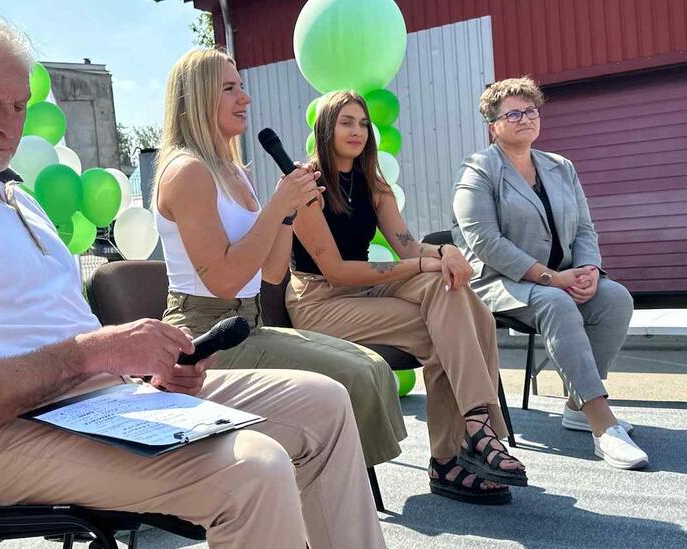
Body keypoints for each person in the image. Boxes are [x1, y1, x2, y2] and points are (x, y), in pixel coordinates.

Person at [0, 14, 389, 549]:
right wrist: (93, 353)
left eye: (19, 106)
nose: (9, 125)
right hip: (0, 438)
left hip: (103, 403)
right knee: (254, 469)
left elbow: (61, 336)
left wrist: (144, 367)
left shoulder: (12, 197)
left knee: (325, 402)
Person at [154, 48, 406, 471]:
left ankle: (337, 484)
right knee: (354, 378)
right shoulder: (187, 172)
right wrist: (277, 205)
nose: (245, 98)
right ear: (198, 98)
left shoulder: (237, 172)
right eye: (229, 89)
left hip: (248, 324)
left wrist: (289, 210)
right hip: (204, 335)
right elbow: (223, 281)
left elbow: (271, 272)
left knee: (373, 365)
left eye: (241, 86)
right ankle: (337, 486)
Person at [288, 91, 527, 505]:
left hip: (363, 290)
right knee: (447, 327)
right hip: (320, 300)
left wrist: (446, 252)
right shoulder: (307, 186)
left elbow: (407, 246)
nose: (358, 131)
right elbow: (337, 271)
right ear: (325, 128)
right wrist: (421, 264)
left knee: (450, 293)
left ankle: (470, 431)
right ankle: (457, 450)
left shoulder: (372, 184)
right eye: (347, 122)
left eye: (364, 124)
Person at [451, 77, 648, 470]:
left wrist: (589, 269)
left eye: (531, 110)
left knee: (615, 298)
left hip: (560, 277)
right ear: (493, 127)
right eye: (513, 114)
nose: (525, 118)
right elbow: (485, 241)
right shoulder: (478, 170)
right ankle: (602, 425)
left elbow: (585, 229)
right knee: (556, 301)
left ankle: (576, 405)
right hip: (498, 281)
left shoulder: (561, 167)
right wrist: (549, 277)